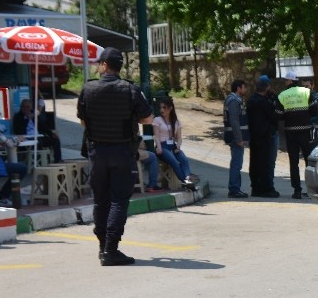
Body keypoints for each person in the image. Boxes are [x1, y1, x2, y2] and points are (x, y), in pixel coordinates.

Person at [77, 47, 154, 267]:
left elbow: (83, 121)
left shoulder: (88, 89)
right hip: (122, 152)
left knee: (101, 200)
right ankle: (111, 249)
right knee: (118, 201)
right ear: (119, 67)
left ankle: (103, 247)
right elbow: (148, 118)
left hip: (97, 152)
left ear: (103, 65)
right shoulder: (130, 90)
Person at [275, 71, 318, 199]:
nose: (284, 82)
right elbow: (315, 110)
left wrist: (289, 116)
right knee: (308, 161)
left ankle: (297, 191)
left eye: (285, 80)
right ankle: (311, 190)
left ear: (290, 82)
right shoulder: (306, 92)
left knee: (293, 162)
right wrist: (305, 116)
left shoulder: (282, 95)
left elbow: (278, 114)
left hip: (291, 133)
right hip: (306, 132)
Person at [246, 76, 280, 197]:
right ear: (266, 88)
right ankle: (265, 189)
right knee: (265, 163)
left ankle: (255, 187)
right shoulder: (264, 102)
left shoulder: (251, 100)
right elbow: (274, 117)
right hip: (265, 136)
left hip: (254, 136)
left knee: (254, 162)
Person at [153, 97, 196, 187]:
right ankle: (186, 181)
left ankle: (187, 179)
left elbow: (179, 138)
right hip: (162, 146)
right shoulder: (157, 120)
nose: (161, 110)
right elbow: (156, 136)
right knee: (174, 161)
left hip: (173, 145)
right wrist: (159, 147)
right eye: (160, 107)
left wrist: (178, 146)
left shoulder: (176, 122)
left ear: (170, 108)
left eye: (164, 107)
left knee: (184, 159)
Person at [13, 97, 62, 162]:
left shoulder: (34, 115)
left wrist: (51, 133)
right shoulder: (18, 117)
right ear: (21, 107)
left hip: (38, 136)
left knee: (55, 141)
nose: (25, 109)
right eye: (24, 107)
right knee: (37, 144)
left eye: (28, 107)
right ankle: (40, 161)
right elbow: (19, 131)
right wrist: (26, 120)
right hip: (26, 138)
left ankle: (58, 160)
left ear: (31, 107)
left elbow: (42, 126)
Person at [224, 79, 249, 198]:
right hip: (235, 138)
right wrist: (239, 138)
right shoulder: (233, 101)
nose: (245, 90)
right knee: (236, 164)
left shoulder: (235, 100)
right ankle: (234, 189)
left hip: (236, 137)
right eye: (244, 87)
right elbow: (234, 121)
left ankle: (235, 188)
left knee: (237, 163)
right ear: (239, 88)